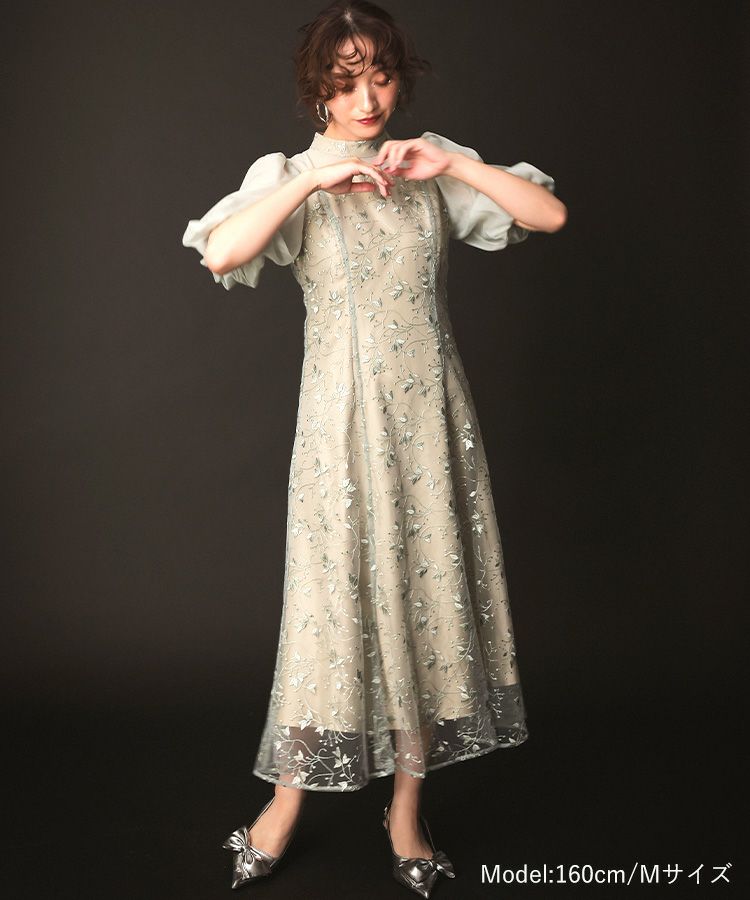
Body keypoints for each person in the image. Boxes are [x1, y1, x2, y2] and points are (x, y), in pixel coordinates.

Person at [182, 1, 566, 894]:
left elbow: (548, 215)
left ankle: (405, 812)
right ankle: (285, 804)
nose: (367, 100)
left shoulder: (425, 165)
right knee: (331, 604)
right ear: (317, 90)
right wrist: (312, 185)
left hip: (431, 421)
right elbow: (221, 253)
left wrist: (452, 162)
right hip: (339, 425)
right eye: (346, 82)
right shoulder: (289, 177)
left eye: (382, 78)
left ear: (401, 80)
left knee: (425, 599)